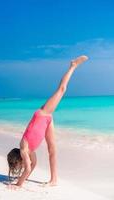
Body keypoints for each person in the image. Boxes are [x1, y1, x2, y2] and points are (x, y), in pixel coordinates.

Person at [7, 55, 88, 189]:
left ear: (17, 159)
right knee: (52, 150)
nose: (19, 168)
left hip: (42, 115)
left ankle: (73, 65)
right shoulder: (28, 152)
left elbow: (27, 168)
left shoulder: (23, 150)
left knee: (62, 89)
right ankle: (54, 179)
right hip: (46, 122)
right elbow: (32, 165)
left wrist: (19, 184)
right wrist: (24, 178)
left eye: (17, 165)